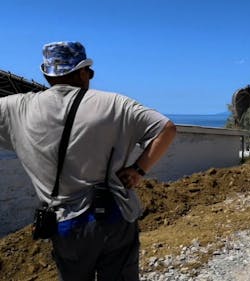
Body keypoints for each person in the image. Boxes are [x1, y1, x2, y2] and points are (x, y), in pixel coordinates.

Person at [0, 41, 177, 280]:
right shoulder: (115, 104)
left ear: (46, 74)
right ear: (83, 72)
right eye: (89, 72)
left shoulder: (16, 108)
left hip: (64, 225)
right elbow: (167, 128)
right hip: (113, 216)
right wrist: (138, 169)